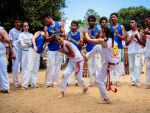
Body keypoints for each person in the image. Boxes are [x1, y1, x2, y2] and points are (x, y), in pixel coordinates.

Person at [84, 27, 119, 104]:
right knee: (97, 47)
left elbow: (89, 40)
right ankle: (87, 57)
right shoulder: (113, 41)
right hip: (115, 62)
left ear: (104, 33)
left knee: (99, 80)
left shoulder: (102, 40)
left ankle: (106, 98)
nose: (99, 34)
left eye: (101, 32)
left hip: (109, 63)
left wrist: (86, 32)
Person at [52, 33, 88, 98]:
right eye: (57, 40)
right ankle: (62, 92)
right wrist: (66, 62)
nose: (59, 41)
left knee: (78, 78)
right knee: (65, 74)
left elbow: (73, 55)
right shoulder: (61, 46)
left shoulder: (67, 44)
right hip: (71, 61)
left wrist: (63, 52)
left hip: (78, 61)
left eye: (59, 39)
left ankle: (85, 87)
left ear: (62, 38)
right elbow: (68, 56)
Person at [43, 13, 65, 87]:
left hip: (59, 49)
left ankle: (55, 83)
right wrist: (55, 34)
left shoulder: (60, 24)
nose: (45, 22)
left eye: (46, 20)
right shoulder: (46, 27)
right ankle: (48, 83)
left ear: (49, 18)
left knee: (58, 66)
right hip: (51, 49)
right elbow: (47, 39)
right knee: (49, 66)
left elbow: (64, 34)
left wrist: (59, 33)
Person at [126, 18, 144, 87]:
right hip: (130, 51)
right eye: (130, 22)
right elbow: (126, 44)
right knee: (131, 66)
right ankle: (133, 81)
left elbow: (142, 43)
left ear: (136, 23)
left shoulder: (140, 31)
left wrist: (137, 38)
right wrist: (131, 39)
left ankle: (137, 81)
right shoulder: (128, 32)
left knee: (137, 65)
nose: (131, 23)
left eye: (133, 22)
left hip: (138, 51)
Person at [109, 13, 126, 85]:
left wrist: (117, 34)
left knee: (119, 64)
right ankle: (112, 79)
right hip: (112, 48)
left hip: (119, 48)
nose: (113, 18)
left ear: (117, 18)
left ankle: (117, 80)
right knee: (112, 64)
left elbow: (124, 37)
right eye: (112, 17)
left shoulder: (121, 27)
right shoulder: (109, 27)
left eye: (114, 17)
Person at [67, 20, 85, 86]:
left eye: (75, 25)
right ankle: (67, 81)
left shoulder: (80, 34)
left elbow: (82, 44)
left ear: (77, 27)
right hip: (70, 53)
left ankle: (77, 81)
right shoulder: (68, 33)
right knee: (69, 67)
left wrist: (80, 43)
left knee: (78, 68)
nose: (73, 27)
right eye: (72, 25)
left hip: (78, 53)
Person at [0, 26, 16, 93]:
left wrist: (1, 37)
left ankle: (6, 88)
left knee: (4, 71)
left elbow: (8, 42)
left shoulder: (2, 30)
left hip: (1, 54)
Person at [86, 15, 100, 86]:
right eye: (89, 21)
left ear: (95, 22)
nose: (90, 22)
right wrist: (86, 34)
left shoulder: (98, 29)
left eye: (92, 21)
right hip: (89, 50)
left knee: (97, 66)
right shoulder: (86, 30)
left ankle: (98, 81)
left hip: (97, 50)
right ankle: (91, 81)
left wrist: (90, 35)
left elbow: (99, 40)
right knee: (90, 67)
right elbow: (85, 41)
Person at [9, 17, 22, 87]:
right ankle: (16, 83)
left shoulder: (22, 30)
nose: (18, 23)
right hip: (15, 50)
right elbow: (10, 43)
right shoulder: (11, 31)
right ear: (14, 23)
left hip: (23, 50)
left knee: (24, 66)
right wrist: (12, 52)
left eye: (19, 22)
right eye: (16, 22)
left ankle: (24, 82)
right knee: (15, 67)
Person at [142, 15, 150, 89]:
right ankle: (148, 83)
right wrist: (143, 36)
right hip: (147, 51)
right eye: (145, 21)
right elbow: (144, 42)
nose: (145, 22)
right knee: (147, 67)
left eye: (146, 21)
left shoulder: (147, 30)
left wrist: (148, 33)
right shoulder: (146, 29)